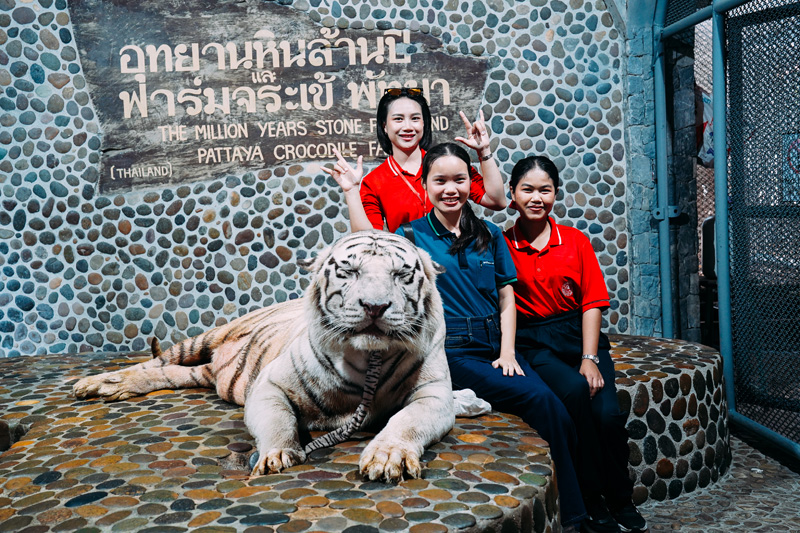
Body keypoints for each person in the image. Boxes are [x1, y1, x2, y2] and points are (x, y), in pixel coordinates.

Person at [392, 143, 588, 531]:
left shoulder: (489, 234)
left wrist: (508, 352)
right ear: (425, 184)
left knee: (557, 407)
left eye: (459, 180)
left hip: (496, 346)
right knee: (540, 400)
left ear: (471, 183)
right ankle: (574, 519)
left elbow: (506, 298)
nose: (451, 189)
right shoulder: (409, 237)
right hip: (451, 351)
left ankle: (575, 502)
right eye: (440, 181)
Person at [503, 155, 648, 533]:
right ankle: (590, 498)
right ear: (512, 194)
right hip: (534, 341)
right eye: (527, 189)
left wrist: (589, 357)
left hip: (578, 336)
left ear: (555, 194)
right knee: (573, 392)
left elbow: (592, 303)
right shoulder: (502, 244)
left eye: (545, 190)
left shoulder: (575, 241)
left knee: (607, 414)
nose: (537, 198)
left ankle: (620, 497)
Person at [322, 87, 507, 232]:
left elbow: (496, 201)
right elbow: (369, 239)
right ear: (384, 126)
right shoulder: (374, 182)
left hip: (455, 259)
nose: (408, 126)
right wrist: (351, 191)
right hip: (411, 265)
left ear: (424, 123)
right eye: (398, 119)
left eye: (415, 118)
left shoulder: (446, 162)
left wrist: (484, 151)